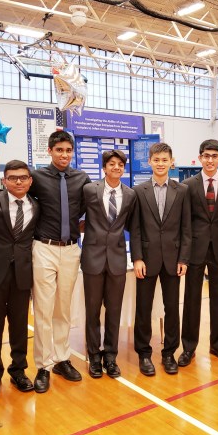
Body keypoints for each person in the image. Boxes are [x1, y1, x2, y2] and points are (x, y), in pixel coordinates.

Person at [28, 130, 90, 392]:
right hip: (44, 248)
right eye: (59, 150)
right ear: (50, 151)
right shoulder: (37, 177)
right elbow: (14, 193)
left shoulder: (81, 178)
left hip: (71, 250)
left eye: (68, 150)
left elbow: (87, 208)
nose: (64, 155)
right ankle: (43, 365)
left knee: (63, 309)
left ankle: (62, 359)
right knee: (43, 309)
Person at [130, 142, 191, 376]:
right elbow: (135, 229)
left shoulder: (182, 190)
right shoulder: (139, 191)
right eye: (156, 160)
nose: (160, 163)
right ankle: (144, 354)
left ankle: (169, 353)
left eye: (165, 160)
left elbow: (186, 228)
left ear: (171, 162)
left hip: (173, 260)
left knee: (172, 308)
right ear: (149, 162)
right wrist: (137, 258)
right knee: (143, 308)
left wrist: (183, 258)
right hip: (146, 259)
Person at [0, 160, 39, 399]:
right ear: (4, 181)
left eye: (23, 177)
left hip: (22, 274)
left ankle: (18, 371)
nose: (18, 182)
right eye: (12, 178)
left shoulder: (36, 205)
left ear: (30, 181)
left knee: (19, 325)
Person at [179, 139, 218, 367]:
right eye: (206, 156)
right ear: (200, 157)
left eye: (215, 156)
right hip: (195, 249)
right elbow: (185, 221)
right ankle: (188, 347)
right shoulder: (187, 185)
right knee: (191, 299)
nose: (210, 160)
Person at [81, 150, 137, 378]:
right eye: (112, 164)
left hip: (117, 259)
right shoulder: (89, 190)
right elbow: (77, 216)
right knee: (93, 311)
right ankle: (94, 356)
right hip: (92, 258)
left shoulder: (130, 194)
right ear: (104, 168)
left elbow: (134, 226)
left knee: (114, 310)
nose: (116, 167)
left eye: (120, 164)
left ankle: (111, 356)